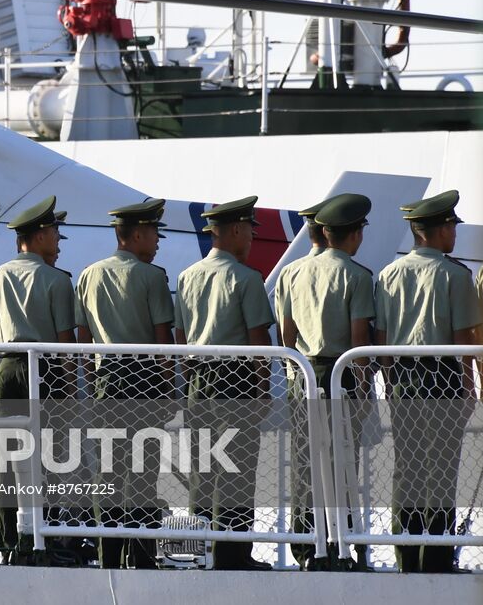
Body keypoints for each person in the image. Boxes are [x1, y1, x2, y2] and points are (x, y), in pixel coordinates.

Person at [374, 190, 481, 573]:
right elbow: (465, 341)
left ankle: (405, 553)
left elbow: (383, 342)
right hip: (443, 377)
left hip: (402, 378)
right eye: (451, 226)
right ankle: (436, 558)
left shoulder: (388, 275)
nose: (454, 233)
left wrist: (390, 382)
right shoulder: (455, 275)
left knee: (407, 467)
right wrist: (469, 388)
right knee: (441, 469)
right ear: (438, 231)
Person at [173, 196, 274, 571]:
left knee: (202, 469)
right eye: (248, 229)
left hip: (198, 378)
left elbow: (181, 338)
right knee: (237, 468)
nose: (251, 238)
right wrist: (263, 391)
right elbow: (258, 339)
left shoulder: (187, 277)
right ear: (234, 230)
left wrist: (189, 384)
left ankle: (198, 553)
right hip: (238, 378)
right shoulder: (247, 278)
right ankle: (233, 556)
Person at [74, 197, 174, 570]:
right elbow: (163, 339)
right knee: (144, 471)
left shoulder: (87, 275)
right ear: (137, 235)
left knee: (109, 470)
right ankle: (144, 556)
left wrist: (92, 380)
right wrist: (169, 388)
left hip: (105, 380)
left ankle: (110, 556)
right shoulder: (152, 277)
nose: (158, 241)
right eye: (154, 233)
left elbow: (83, 339)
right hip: (145, 378)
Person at [277, 193, 375, 570]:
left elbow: (286, 337)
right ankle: (342, 546)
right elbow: (358, 342)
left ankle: (306, 549)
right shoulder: (356, 275)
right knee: (343, 464)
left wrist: (294, 374)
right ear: (355, 234)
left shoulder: (291, 272)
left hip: (301, 374)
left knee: (305, 463)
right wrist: (365, 389)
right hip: (342, 374)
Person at [0, 195, 75, 564]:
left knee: (3, 461)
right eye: (54, 231)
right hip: (43, 370)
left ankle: (4, 540)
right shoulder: (56, 280)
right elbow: (65, 343)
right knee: (45, 459)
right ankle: (36, 540)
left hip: (2, 371)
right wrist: (69, 391)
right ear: (37, 236)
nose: (57, 238)